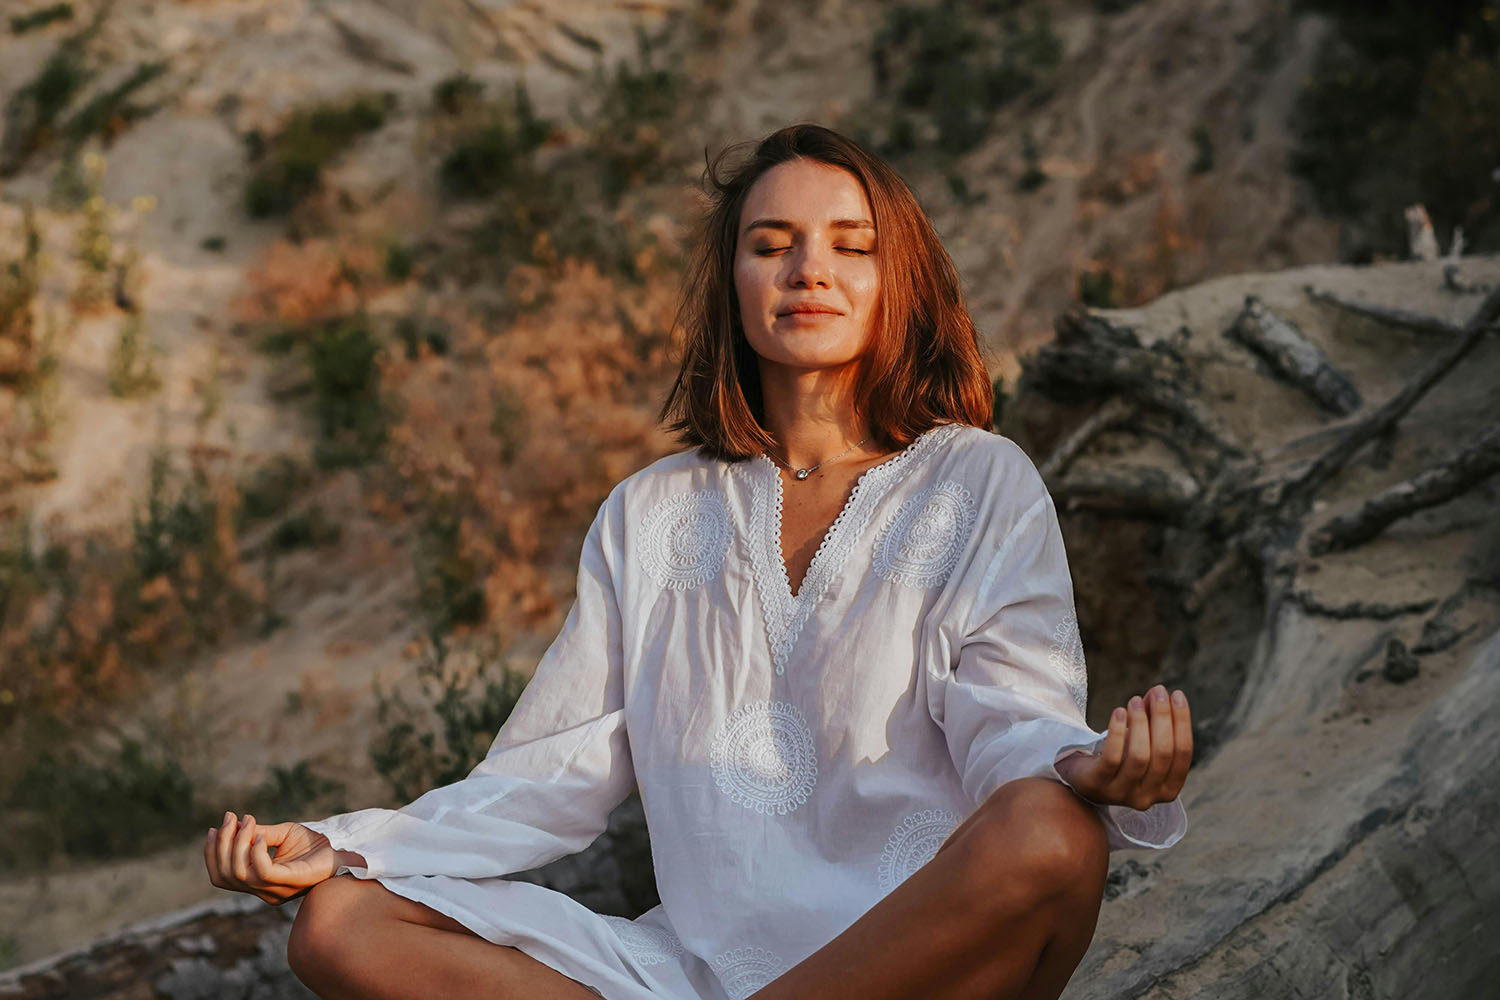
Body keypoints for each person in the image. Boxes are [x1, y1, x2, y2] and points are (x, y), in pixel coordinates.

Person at [204, 123, 1191, 1000]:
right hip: (688, 974)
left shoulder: (976, 481)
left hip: (923, 958)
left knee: (1051, 835)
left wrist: (1086, 764)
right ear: (733, 282)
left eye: (853, 246)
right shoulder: (652, 511)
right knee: (339, 924)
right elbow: (548, 773)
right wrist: (341, 847)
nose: (809, 269)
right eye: (772, 245)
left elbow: (1010, 715)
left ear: (903, 283)